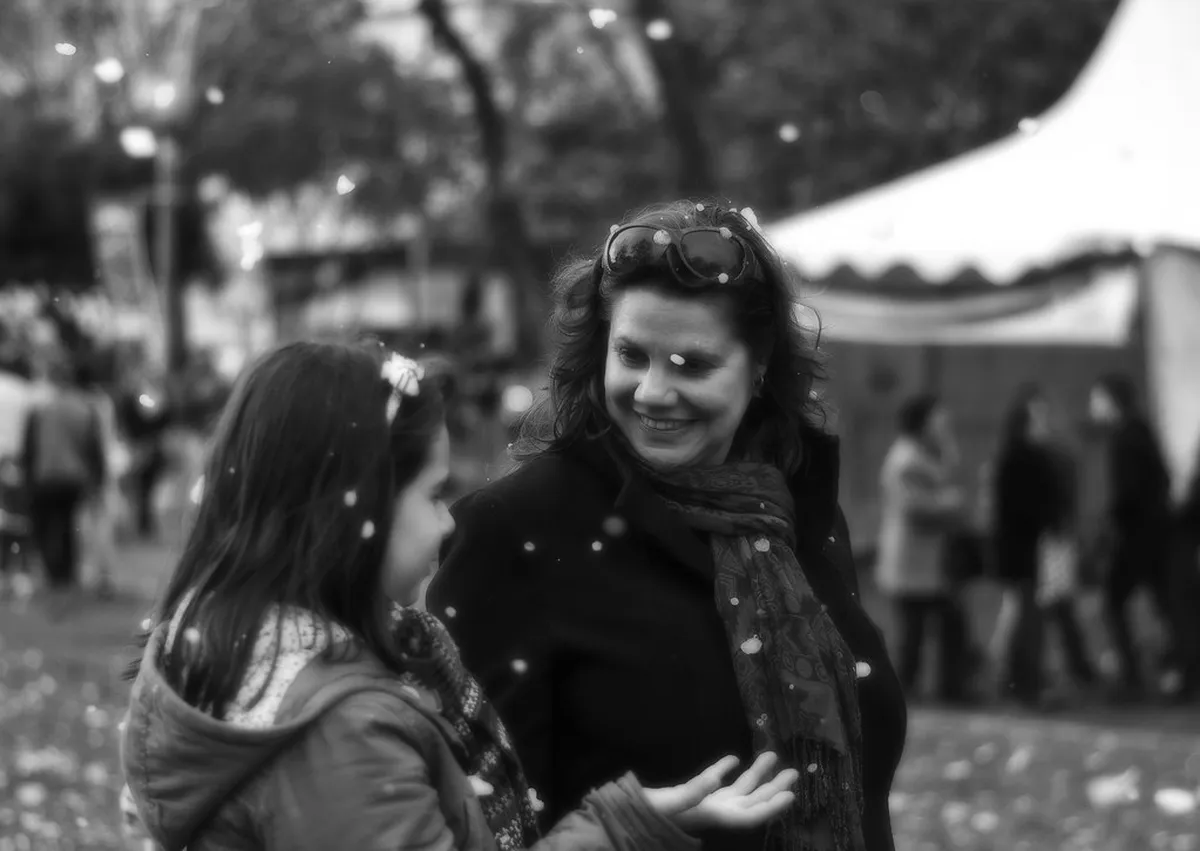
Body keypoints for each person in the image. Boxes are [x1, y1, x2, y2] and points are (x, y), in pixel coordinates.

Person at [119, 340, 797, 851]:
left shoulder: (232, 652)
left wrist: (631, 821)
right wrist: (621, 830)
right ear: (350, 510)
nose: (449, 520)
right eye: (434, 493)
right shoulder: (339, 732)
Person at [430, 202, 907, 851]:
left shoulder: (798, 515)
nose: (653, 391)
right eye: (632, 354)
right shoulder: (512, 531)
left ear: (760, 364)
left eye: (692, 364)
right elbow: (470, 827)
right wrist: (629, 829)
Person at [989, 386, 1096, 707]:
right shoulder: (1021, 458)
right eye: (1037, 417)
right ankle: (1025, 685)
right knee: (1028, 620)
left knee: (1030, 617)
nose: (1044, 424)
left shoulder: (1036, 456)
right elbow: (1026, 510)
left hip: (1033, 553)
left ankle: (1023, 682)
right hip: (1027, 554)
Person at [875, 393, 974, 705]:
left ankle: (939, 687)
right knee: (915, 631)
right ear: (921, 422)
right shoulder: (907, 459)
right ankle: (907, 690)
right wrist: (951, 502)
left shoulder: (924, 453)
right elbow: (915, 508)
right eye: (937, 417)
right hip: (912, 561)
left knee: (940, 624)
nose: (944, 422)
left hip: (928, 562)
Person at [1087, 374, 1178, 698]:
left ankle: (1133, 674)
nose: (1092, 407)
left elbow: (1129, 493)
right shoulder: (1140, 431)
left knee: (1115, 602)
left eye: (1096, 399)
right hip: (1154, 534)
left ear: (1111, 401)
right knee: (1166, 604)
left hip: (1137, 537)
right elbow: (1161, 479)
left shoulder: (1125, 438)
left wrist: (1111, 524)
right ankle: (1173, 668)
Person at [21, 359, 106, 596]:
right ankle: (67, 572)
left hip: (44, 475)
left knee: (46, 524)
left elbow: (28, 448)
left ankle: (54, 572)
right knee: (67, 524)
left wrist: (27, 477)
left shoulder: (39, 408)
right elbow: (94, 450)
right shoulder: (85, 408)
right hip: (74, 476)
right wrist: (97, 480)